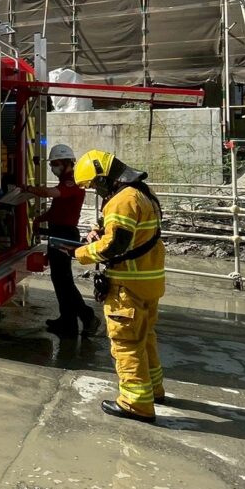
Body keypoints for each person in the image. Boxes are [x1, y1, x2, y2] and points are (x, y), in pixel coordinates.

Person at [72, 149, 165, 423]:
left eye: (92, 185)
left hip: (128, 285)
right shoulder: (143, 193)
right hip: (149, 281)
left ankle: (136, 403)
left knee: (126, 343)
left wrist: (81, 253)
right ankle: (154, 390)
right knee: (146, 337)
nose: (94, 191)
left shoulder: (122, 200)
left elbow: (115, 246)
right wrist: (99, 231)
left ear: (104, 176)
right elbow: (132, 235)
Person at [32, 143, 99, 338]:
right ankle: (67, 321)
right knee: (59, 280)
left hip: (65, 235)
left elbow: (49, 193)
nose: (53, 167)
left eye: (54, 163)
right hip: (58, 233)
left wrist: (27, 188)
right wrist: (40, 219)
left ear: (64, 162)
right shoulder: (65, 181)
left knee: (64, 281)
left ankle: (87, 317)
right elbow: (55, 211)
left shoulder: (72, 182)